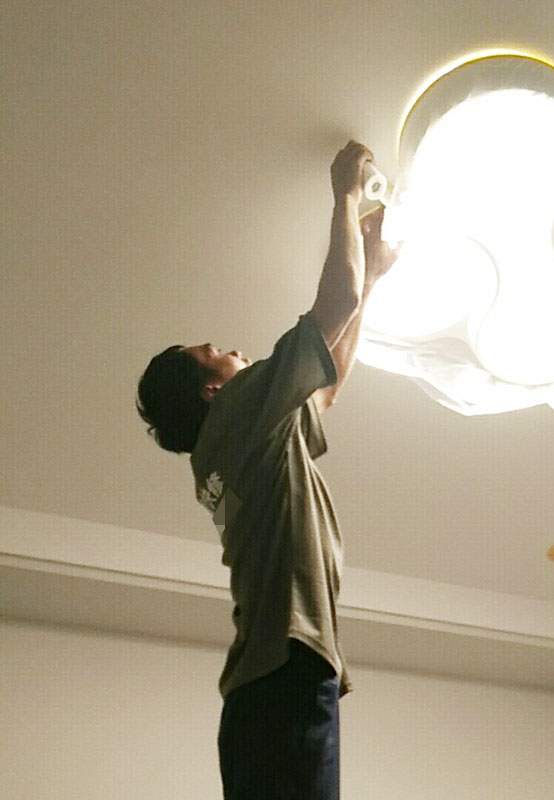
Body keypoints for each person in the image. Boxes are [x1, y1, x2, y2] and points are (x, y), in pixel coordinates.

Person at [135, 141, 400, 800]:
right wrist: (345, 193)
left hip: (265, 687)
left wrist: (371, 279)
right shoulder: (239, 413)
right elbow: (333, 303)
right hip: (284, 671)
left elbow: (325, 389)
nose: (235, 350)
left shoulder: (233, 443)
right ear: (212, 390)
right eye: (217, 352)